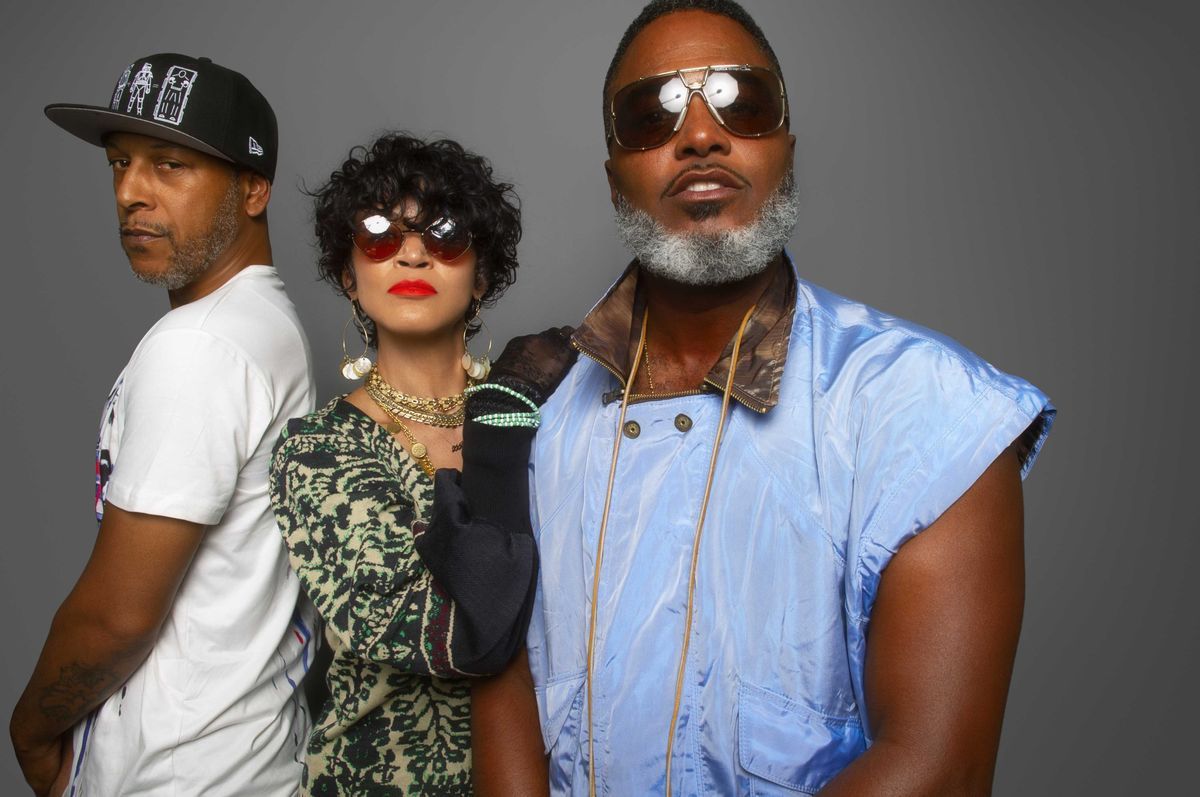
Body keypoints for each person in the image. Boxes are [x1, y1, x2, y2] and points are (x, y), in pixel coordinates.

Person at [472, 1, 1056, 795]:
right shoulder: (527, 410)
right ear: (614, 181)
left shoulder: (929, 411)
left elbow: (940, 768)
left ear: (786, 149)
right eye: (652, 114)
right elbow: (497, 671)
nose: (699, 134)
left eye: (740, 102)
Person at [9, 53, 317, 796]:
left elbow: (118, 617)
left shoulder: (200, 346)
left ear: (253, 189)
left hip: (182, 774)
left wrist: (29, 732)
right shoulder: (264, 321)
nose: (129, 192)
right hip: (243, 756)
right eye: (120, 162)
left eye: (169, 165)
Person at [269, 133, 572, 796]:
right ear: (349, 275)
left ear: (481, 275)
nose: (412, 252)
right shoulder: (319, 453)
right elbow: (469, 633)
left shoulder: (556, 419)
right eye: (378, 234)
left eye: (445, 233)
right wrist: (497, 428)